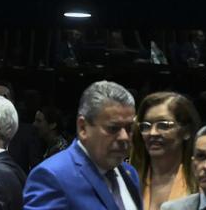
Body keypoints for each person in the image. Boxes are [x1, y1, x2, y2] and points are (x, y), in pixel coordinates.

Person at [23, 80, 143, 210]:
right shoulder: (52, 176)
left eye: (129, 128)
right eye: (113, 128)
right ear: (83, 128)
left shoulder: (130, 173)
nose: (124, 137)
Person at [129, 92, 200, 210]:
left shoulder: (201, 180)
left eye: (163, 125)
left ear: (186, 131)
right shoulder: (128, 178)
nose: (152, 133)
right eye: (146, 126)